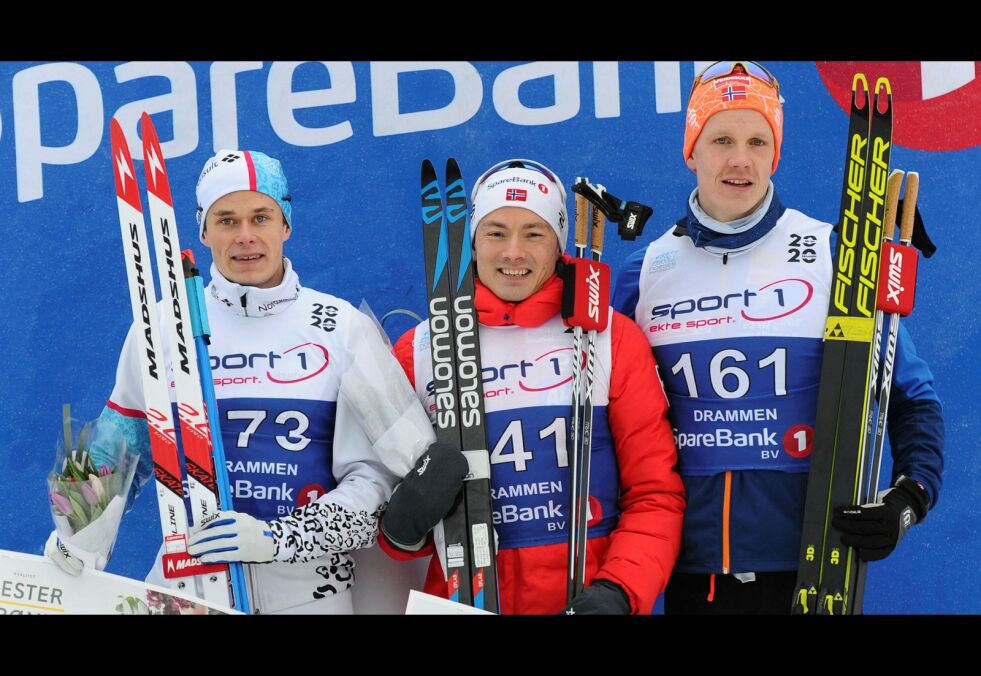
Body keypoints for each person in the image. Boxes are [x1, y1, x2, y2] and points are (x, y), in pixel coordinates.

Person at [612, 61, 945, 614]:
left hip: (814, 571)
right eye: (720, 139)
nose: (739, 159)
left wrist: (907, 500)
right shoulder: (644, 272)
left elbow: (912, 398)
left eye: (757, 141)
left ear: (775, 153)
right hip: (691, 577)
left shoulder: (834, 254)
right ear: (691, 149)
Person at [45, 149, 435, 614]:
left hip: (308, 593)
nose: (246, 236)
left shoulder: (340, 328)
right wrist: (78, 530)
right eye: (227, 220)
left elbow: (383, 483)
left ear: (285, 224)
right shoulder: (163, 327)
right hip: (186, 590)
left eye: (261, 217)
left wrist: (278, 539)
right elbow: (119, 442)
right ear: (204, 231)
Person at [378, 159, 686, 614]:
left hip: (584, 597)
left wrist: (619, 591)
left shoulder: (609, 339)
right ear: (472, 243)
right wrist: (401, 527)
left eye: (534, 233)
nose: (513, 252)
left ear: (559, 243)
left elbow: (654, 494)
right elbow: (379, 511)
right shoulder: (421, 350)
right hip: (467, 598)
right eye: (496, 232)